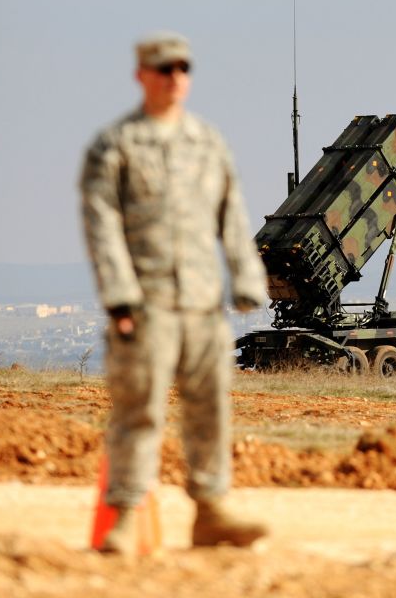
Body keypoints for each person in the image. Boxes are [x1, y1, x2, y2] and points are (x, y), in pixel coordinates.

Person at [79, 31, 269, 555]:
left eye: (182, 69)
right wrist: (119, 298)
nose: (175, 78)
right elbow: (102, 225)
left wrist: (246, 277)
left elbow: (232, 213)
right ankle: (122, 516)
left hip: (203, 306)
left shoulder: (207, 143)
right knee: (139, 411)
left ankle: (210, 512)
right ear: (142, 74)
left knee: (210, 409)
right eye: (164, 69)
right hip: (147, 305)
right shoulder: (114, 146)